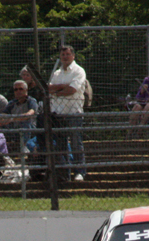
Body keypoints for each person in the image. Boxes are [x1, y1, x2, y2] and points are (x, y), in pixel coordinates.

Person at [48, 45, 87, 181]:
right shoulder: (57, 73)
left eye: (67, 54)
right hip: (58, 113)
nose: (65, 57)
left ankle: (79, 172)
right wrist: (63, 87)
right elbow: (49, 88)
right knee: (61, 144)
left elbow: (72, 89)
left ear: (73, 56)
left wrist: (57, 92)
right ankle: (65, 173)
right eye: (63, 54)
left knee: (76, 142)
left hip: (74, 112)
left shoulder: (79, 71)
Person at [0, 80, 38, 147]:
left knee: (25, 122)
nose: (18, 91)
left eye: (21, 89)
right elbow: (3, 115)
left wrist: (12, 119)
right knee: (1, 125)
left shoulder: (31, 101)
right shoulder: (12, 103)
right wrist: (2, 120)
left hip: (31, 130)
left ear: (26, 90)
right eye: (16, 90)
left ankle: (24, 148)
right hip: (15, 128)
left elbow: (29, 114)